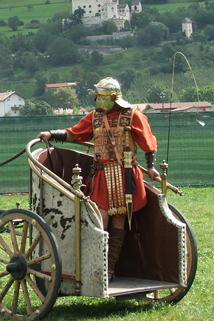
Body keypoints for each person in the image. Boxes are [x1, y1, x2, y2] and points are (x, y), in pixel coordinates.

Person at [38, 77, 160, 282]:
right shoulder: (95, 117)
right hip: (102, 176)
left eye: (102, 96)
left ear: (113, 97)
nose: (97, 99)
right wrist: (51, 134)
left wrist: (151, 167)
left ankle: (109, 270)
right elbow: (75, 133)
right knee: (99, 220)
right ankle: (96, 267)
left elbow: (148, 143)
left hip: (125, 175)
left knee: (119, 220)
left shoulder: (133, 116)